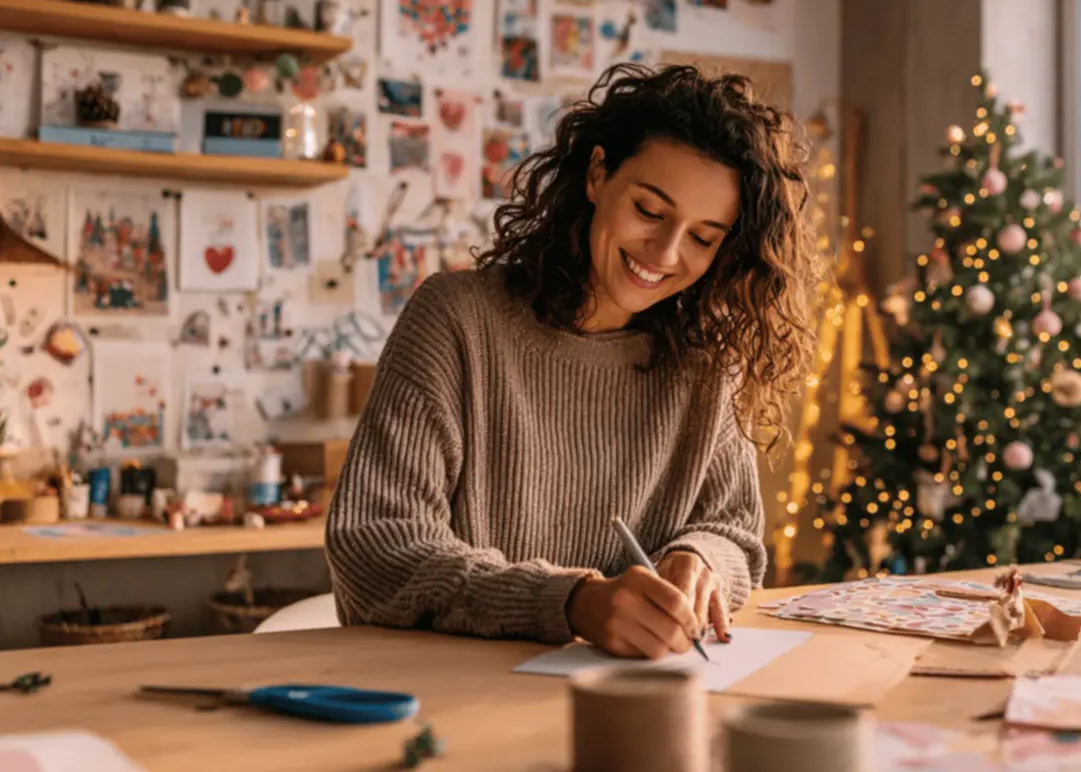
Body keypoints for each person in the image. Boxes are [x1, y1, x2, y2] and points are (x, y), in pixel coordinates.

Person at [326, 63, 817, 660]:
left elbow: (735, 535)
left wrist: (699, 559)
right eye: (649, 210)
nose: (665, 253)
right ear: (596, 174)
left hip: (634, 702)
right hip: (450, 705)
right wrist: (571, 602)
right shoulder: (457, 321)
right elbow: (375, 544)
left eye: (703, 238)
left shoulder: (707, 362)